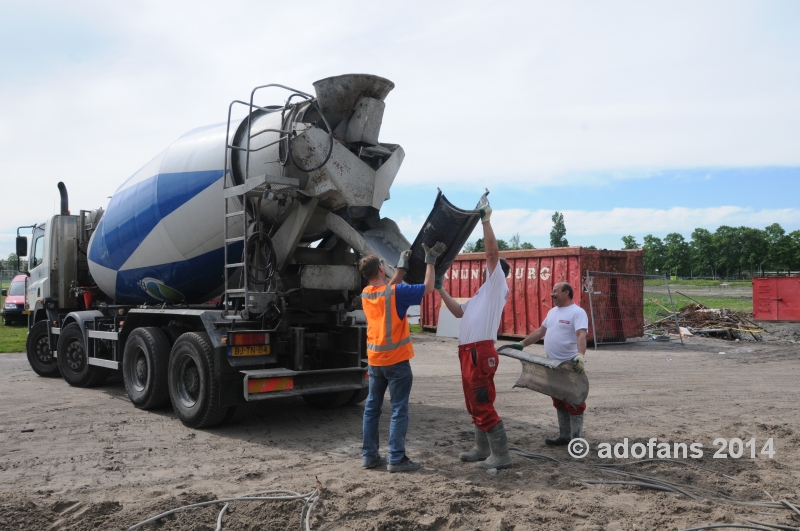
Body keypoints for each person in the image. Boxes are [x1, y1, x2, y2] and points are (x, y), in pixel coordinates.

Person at [436, 200, 514, 470]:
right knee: (473, 402)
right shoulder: (482, 293)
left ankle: (501, 455)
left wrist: (486, 221)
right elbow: (459, 312)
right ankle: (482, 449)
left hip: (479, 352)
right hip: (468, 352)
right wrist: (441, 289)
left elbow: (492, 255)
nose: (486, 269)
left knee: (481, 400)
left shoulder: (496, 285)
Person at [359, 241, 446, 473]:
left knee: (371, 409)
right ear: (380, 269)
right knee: (399, 409)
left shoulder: (366, 294)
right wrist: (430, 261)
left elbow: (387, 288)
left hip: (375, 362)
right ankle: (396, 459)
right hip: (397, 362)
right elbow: (427, 288)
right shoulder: (397, 292)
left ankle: (369, 456)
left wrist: (400, 270)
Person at [509, 282, 588, 445]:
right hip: (552, 365)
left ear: (566, 292)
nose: (552, 295)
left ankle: (577, 439)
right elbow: (540, 332)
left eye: (555, 291)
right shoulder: (552, 312)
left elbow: (581, 334)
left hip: (568, 365)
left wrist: (580, 355)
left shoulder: (577, 312)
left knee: (574, 401)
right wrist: (522, 344)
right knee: (558, 399)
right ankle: (564, 436)